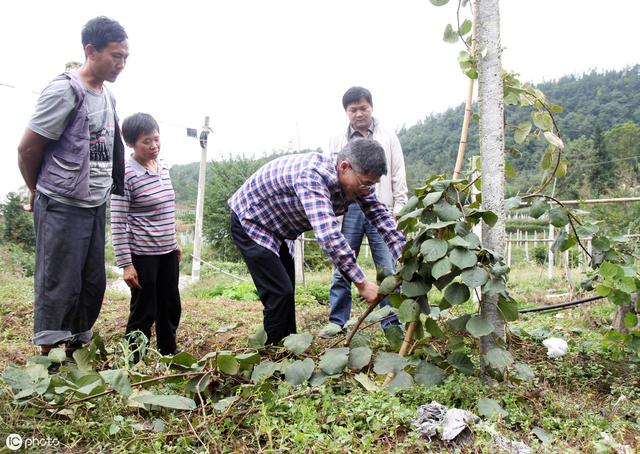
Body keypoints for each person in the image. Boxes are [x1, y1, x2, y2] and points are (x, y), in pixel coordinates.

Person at [16, 17, 129, 363]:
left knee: (92, 282)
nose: (121, 64)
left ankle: (76, 351)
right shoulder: (65, 90)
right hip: (62, 203)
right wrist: (35, 190)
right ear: (91, 51)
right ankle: (47, 357)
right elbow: (27, 148)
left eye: (126, 57)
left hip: (94, 202)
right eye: (115, 56)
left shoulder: (107, 95)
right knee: (59, 282)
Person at [228, 138, 406, 345]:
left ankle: (288, 347)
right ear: (344, 167)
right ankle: (272, 358)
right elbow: (329, 236)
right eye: (366, 183)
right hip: (252, 220)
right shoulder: (312, 176)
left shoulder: (359, 184)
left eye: (373, 184)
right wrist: (362, 283)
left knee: (287, 292)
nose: (368, 189)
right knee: (279, 293)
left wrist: (406, 256)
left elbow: (382, 219)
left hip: (280, 229)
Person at [319, 86, 408, 338]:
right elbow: (330, 174)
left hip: (380, 205)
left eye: (363, 108)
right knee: (342, 263)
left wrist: (398, 208)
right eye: (353, 109)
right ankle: (338, 321)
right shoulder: (337, 138)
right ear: (347, 112)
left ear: (372, 107)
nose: (359, 113)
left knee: (387, 266)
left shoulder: (388, 136)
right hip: (348, 209)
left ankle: (390, 323)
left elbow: (398, 173)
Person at [110, 113, 182, 360]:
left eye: (156, 139)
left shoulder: (163, 166)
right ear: (131, 143)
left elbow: (167, 207)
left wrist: (175, 243)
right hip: (143, 255)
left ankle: (168, 354)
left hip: (167, 251)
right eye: (146, 142)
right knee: (144, 309)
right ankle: (134, 359)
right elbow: (118, 222)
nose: (154, 146)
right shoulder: (124, 174)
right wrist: (126, 264)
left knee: (170, 305)